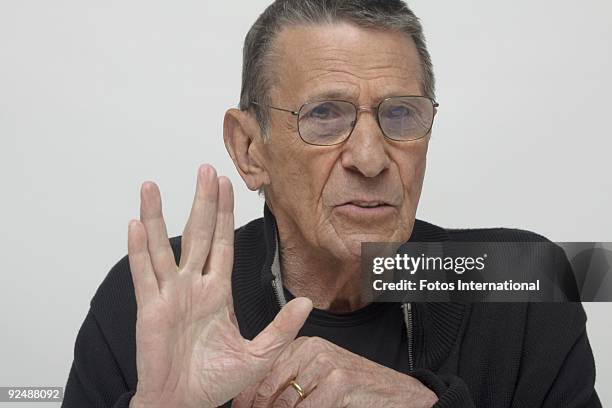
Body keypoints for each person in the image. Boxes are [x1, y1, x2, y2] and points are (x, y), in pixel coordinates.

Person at [62, 1, 601, 407]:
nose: (370, 158)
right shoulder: (152, 300)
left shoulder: (523, 283)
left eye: (401, 114)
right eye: (324, 114)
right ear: (251, 150)